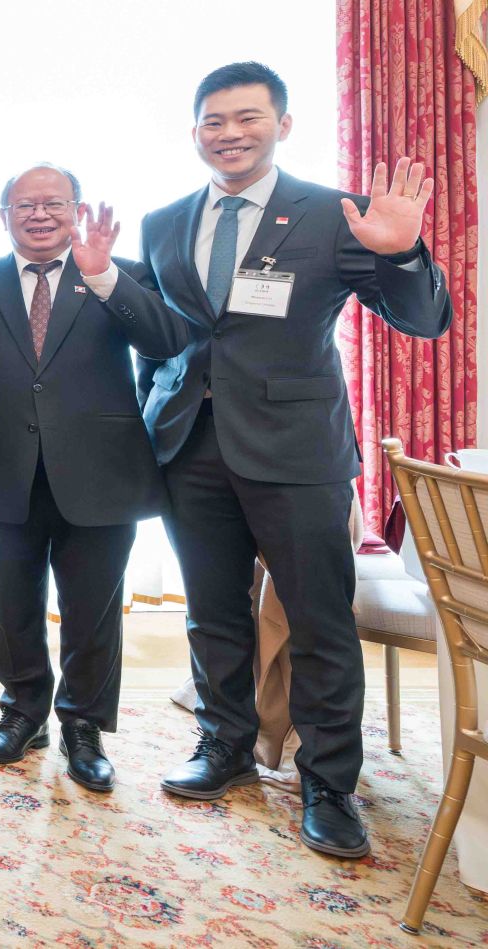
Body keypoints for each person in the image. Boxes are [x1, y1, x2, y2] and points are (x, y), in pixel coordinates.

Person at [137, 61, 449, 860]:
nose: (230, 133)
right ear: (195, 130)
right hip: (191, 447)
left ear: (283, 123)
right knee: (212, 612)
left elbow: (421, 320)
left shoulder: (332, 210)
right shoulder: (165, 220)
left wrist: (405, 252)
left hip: (299, 452)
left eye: (248, 118)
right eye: (214, 120)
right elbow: (166, 339)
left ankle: (330, 782)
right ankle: (226, 745)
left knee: (318, 621)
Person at [0, 166, 188, 790]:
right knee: (11, 602)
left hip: (103, 471)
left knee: (92, 609)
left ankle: (83, 724)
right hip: (1, 472)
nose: (39, 214)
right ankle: (23, 711)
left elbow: (167, 340)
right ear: (3, 216)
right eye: (24, 205)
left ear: (76, 210)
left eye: (53, 203)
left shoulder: (114, 269)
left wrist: (104, 274)